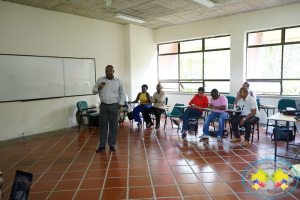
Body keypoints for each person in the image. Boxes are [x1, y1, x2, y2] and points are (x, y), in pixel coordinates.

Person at [92, 65, 125, 152]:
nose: (108, 72)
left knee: (113, 126)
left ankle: (112, 144)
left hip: (114, 106)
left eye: (110, 70)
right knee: (103, 126)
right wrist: (100, 87)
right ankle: (102, 145)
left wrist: (120, 104)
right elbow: (94, 91)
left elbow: (122, 94)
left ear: (113, 71)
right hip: (103, 106)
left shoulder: (118, 81)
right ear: (105, 71)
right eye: (107, 70)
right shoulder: (100, 80)